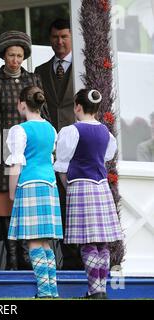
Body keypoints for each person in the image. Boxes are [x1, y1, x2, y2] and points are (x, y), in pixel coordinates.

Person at [0, 30, 49, 270]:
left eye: (20, 55)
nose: (15, 60)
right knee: (4, 208)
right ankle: (11, 258)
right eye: (11, 55)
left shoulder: (34, 80)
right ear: (3, 55)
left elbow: (43, 114)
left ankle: (26, 256)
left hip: (30, 152)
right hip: (2, 151)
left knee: (27, 203)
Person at [54, 89, 123, 299]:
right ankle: (99, 290)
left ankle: (96, 291)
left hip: (81, 185)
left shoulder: (71, 131)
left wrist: (68, 186)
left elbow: (62, 165)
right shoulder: (105, 132)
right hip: (101, 186)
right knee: (101, 241)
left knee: (87, 241)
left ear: (77, 106)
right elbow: (107, 156)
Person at [6, 86, 63, 298]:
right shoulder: (51, 129)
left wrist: (12, 193)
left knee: (33, 241)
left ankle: (44, 292)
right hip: (49, 185)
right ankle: (51, 291)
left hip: (29, 184)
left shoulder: (20, 130)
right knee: (46, 242)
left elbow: (15, 165)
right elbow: (50, 159)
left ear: (22, 104)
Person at [35, 19, 82, 270]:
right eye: (55, 37)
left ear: (72, 37)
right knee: (59, 202)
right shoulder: (40, 71)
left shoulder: (84, 68)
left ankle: (79, 259)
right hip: (51, 148)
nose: (59, 42)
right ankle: (67, 258)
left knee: (78, 202)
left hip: (79, 146)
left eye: (64, 37)